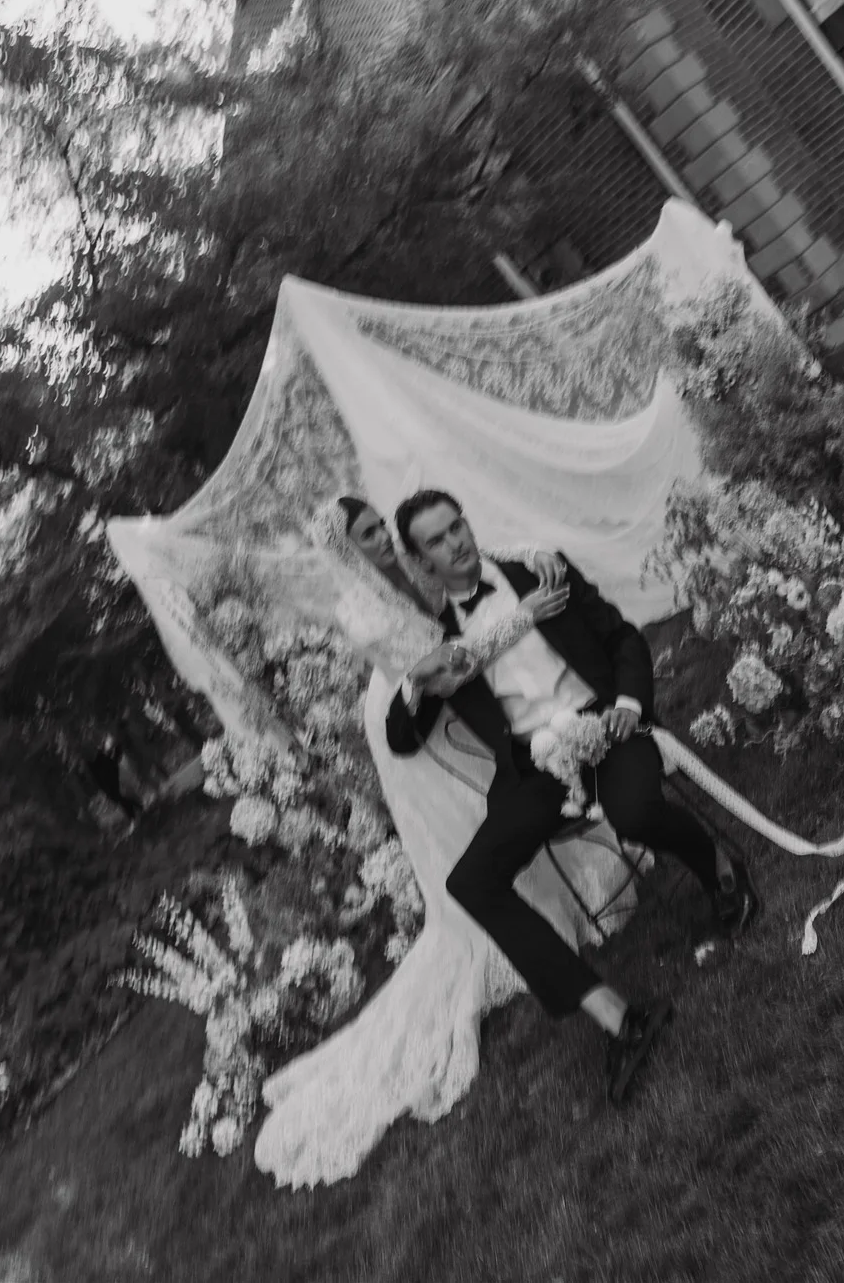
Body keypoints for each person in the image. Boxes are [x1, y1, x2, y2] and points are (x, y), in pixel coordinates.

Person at [253, 495, 647, 1190]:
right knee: (469, 865)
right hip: (418, 720)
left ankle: (605, 995)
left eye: (381, 527)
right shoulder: (363, 610)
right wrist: (526, 615)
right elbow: (452, 665)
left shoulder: (417, 566)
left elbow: (472, 568)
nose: (383, 539)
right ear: (345, 549)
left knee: (494, 839)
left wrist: (528, 558)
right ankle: (605, 1008)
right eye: (368, 534)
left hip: (473, 709)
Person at [387, 488, 760, 1104]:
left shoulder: (540, 570)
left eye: (457, 526)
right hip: (534, 767)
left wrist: (628, 704)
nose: (455, 543)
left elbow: (622, 639)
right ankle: (619, 1017)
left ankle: (719, 867)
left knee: (634, 811)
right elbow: (402, 739)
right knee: (470, 883)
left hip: (605, 722)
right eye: (437, 540)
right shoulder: (440, 641)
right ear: (422, 562)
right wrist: (414, 680)